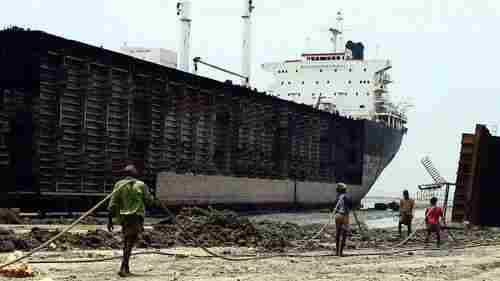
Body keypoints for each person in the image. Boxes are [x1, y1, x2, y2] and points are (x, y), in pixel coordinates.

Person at [108, 164, 157, 277]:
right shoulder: (141, 185)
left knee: (127, 241)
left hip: (124, 217)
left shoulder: (119, 184)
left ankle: (126, 267)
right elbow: (150, 201)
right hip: (135, 216)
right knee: (130, 242)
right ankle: (123, 267)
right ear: (134, 173)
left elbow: (112, 203)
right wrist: (152, 196)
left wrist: (110, 220)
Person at [333, 182, 353, 257]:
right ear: (345, 190)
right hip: (344, 216)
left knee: (338, 233)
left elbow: (334, 207)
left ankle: (336, 251)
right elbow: (351, 205)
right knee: (344, 234)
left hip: (337, 216)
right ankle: (341, 252)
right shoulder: (346, 197)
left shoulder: (337, 197)